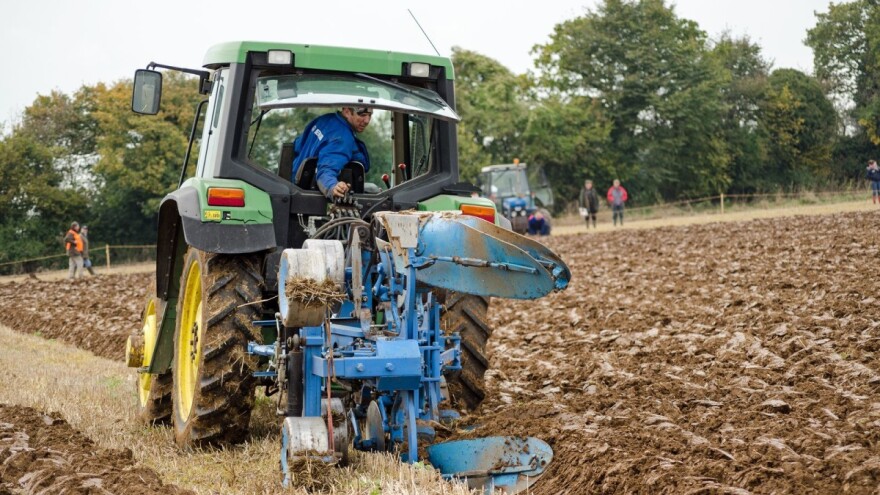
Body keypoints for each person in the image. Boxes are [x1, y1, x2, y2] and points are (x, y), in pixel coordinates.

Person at [291, 107, 372, 199]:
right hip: (306, 196)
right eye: (362, 115)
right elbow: (326, 169)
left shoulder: (324, 120)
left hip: (292, 185)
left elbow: (297, 146)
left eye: (370, 115)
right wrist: (332, 186)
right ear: (347, 112)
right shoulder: (342, 138)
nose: (367, 120)